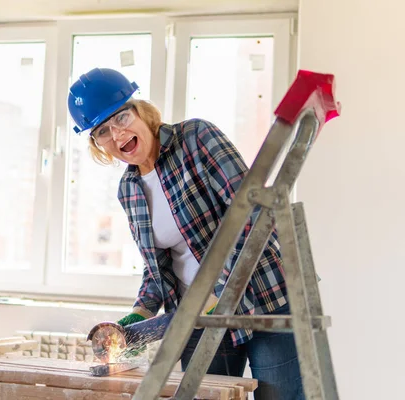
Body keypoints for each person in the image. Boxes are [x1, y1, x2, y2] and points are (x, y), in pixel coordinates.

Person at [67, 67, 305, 400]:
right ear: (97, 144)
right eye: (102, 131)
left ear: (140, 110)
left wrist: (219, 292)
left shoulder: (196, 138)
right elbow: (157, 271)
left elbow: (253, 215)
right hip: (200, 317)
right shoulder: (129, 190)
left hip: (265, 296)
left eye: (121, 118)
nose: (117, 135)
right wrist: (135, 321)